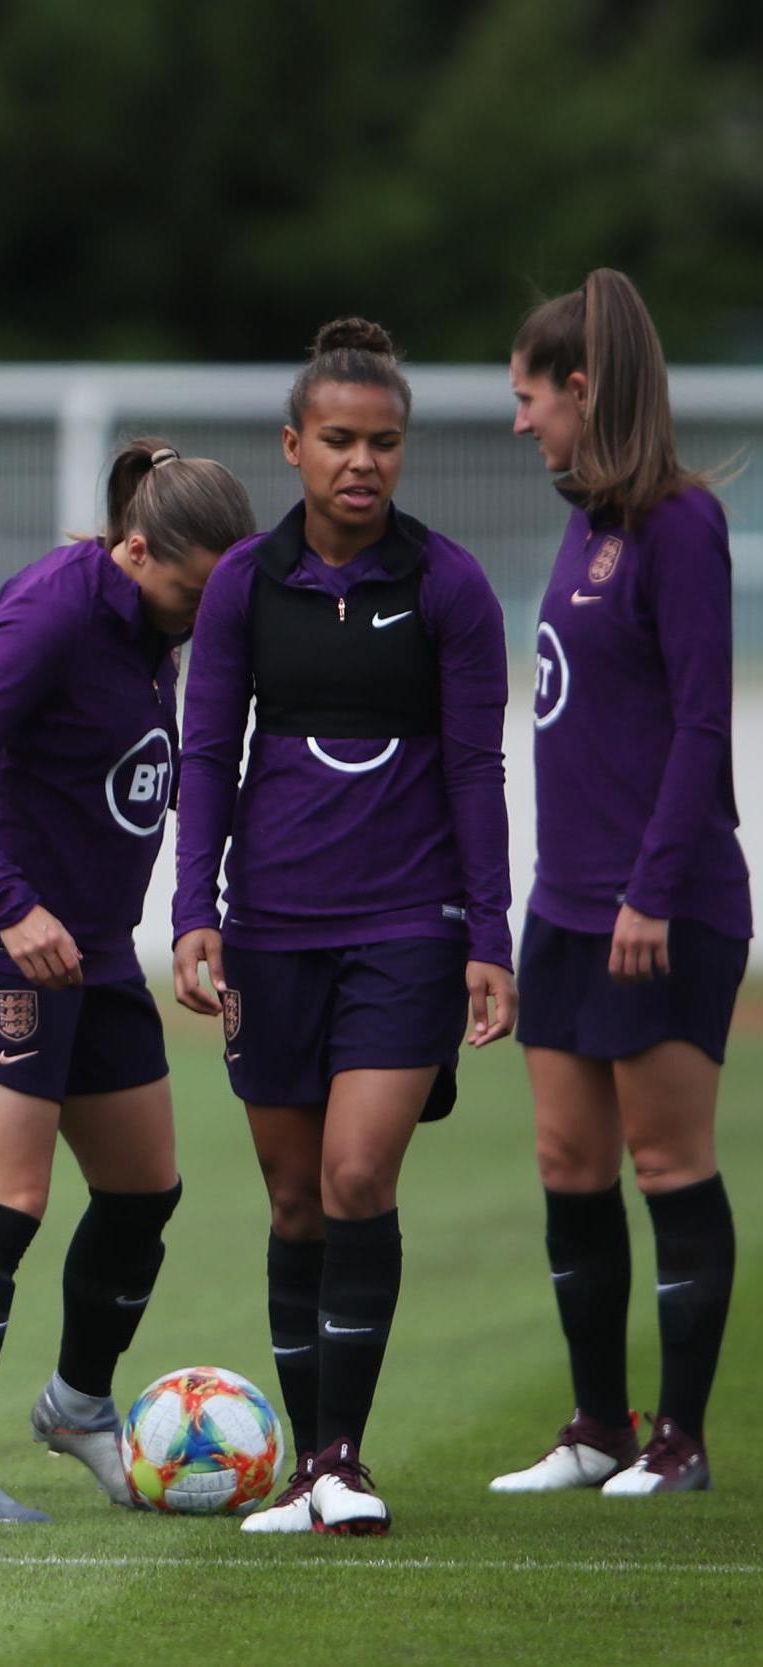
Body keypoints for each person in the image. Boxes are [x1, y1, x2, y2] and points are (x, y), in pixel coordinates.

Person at [172, 319, 516, 1536]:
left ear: (401, 451)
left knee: (355, 1172)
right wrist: (190, 911)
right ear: (292, 446)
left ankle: (338, 1462)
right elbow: (206, 753)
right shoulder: (240, 587)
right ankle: (305, 1468)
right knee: (290, 1200)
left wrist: (489, 935)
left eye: (381, 442)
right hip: (269, 931)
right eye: (336, 440)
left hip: (405, 930)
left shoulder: (448, 585)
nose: (359, 462)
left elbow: (476, 770)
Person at [0, 441, 254, 1524]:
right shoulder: (57, 604)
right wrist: (9, 902)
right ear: (134, 548)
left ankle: (76, 1403)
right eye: (191, 591)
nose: (202, 616)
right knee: (4, 1199)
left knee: (144, 1186)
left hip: (94, 950)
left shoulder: (155, 626)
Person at [488, 270, 748, 1498]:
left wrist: (648, 889)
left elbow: (703, 722)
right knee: (564, 1160)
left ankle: (679, 1439)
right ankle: (597, 1422)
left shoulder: (678, 523)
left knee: (664, 1161)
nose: (518, 420)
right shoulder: (584, 518)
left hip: (660, 903)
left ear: (580, 389)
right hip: (565, 902)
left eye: (527, 395)